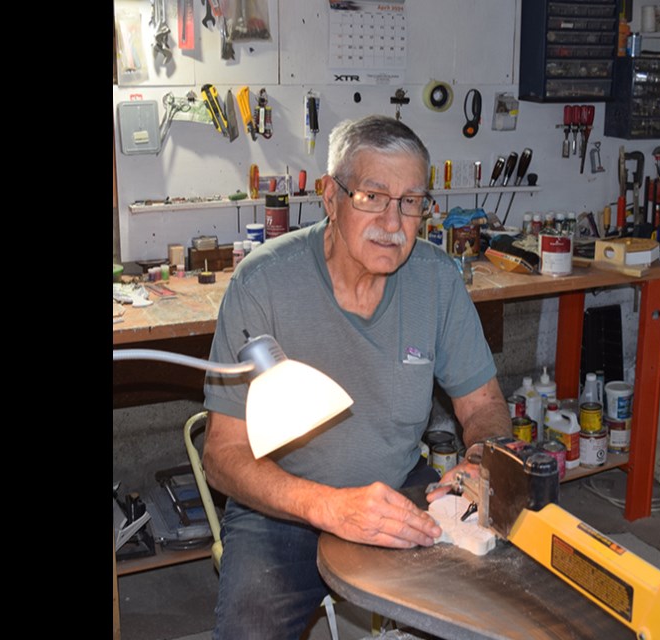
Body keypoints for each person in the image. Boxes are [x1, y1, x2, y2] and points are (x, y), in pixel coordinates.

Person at [202, 114, 512, 639]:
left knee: (489, 606)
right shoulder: (264, 283)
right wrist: (330, 508)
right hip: (283, 510)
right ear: (330, 197)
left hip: (396, 491)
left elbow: (484, 408)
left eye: (410, 202)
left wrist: (479, 461)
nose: (393, 223)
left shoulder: (436, 281)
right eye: (372, 196)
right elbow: (222, 457)